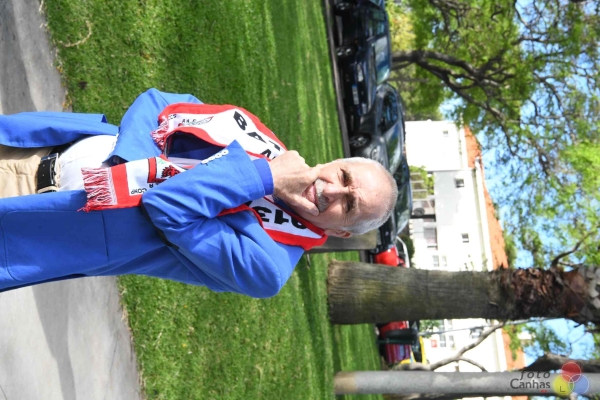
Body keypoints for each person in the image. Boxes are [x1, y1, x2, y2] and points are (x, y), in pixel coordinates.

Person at [0, 89, 397, 297]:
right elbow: (162, 104)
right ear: (334, 161)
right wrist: (126, 166)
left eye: (349, 204)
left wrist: (264, 178)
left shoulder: (268, 264)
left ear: (342, 232)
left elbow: (167, 207)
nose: (332, 190)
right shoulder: (266, 146)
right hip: (38, 144)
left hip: (32, 219)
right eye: (343, 175)